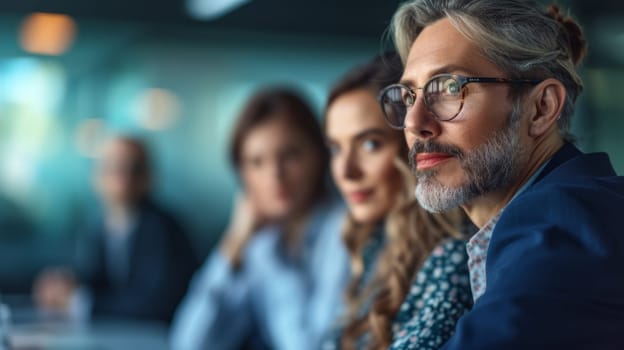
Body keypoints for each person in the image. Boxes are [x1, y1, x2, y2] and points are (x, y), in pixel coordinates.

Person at [378, 0, 624, 348]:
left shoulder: (565, 221)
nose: (414, 123)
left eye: (450, 88)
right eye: (408, 95)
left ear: (541, 108)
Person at [170, 87, 348, 350]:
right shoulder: (260, 240)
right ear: (242, 175)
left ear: (319, 156)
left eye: (290, 155)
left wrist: (274, 261)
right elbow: (190, 343)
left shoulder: (342, 229)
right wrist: (232, 244)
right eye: (256, 162)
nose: (275, 175)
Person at [323, 53, 472, 350]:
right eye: (336, 148)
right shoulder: (374, 244)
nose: (346, 171)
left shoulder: (453, 260)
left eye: (369, 144)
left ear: (413, 143)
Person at [34, 136, 198, 323]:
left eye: (133, 169)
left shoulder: (165, 231)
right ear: (95, 177)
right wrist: (65, 286)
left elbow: (155, 304)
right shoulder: (96, 226)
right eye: (112, 168)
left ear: (149, 178)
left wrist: (80, 303)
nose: (123, 178)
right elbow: (96, 282)